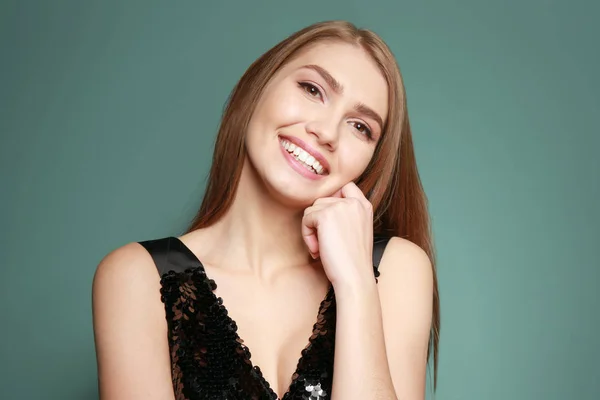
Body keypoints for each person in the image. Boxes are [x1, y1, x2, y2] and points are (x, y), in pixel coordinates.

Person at [92, 20, 440, 400]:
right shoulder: (137, 278)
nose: (326, 132)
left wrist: (356, 285)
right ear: (258, 85)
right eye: (312, 89)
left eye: (360, 126)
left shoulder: (395, 270)